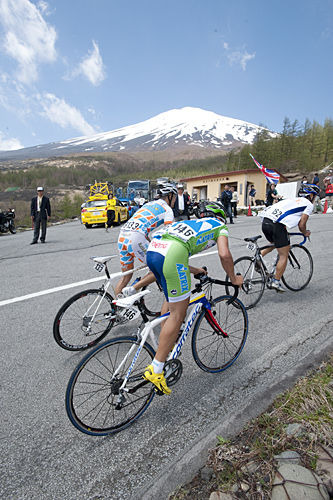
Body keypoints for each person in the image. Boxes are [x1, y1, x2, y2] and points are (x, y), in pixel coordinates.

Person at [142, 204, 243, 395]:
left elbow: (178, 252)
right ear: (221, 216)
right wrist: (233, 278)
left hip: (154, 250)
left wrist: (195, 270)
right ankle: (156, 368)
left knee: (171, 300)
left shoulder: (192, 223)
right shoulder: (219, 226)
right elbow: (224, 254)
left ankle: (166, 344)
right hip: (172, 254)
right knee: (178, 314)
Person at [115, 183, 177, 296]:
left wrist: (150, 243)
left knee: (125, 277)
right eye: (175, 198)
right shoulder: (167, 210)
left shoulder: (148, 204)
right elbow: (169, 233)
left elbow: (142, 228)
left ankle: (117, 308)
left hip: (122, 236)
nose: (175, 201)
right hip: (135, 238)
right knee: (160, 268)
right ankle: (133, 289)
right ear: (170, 196)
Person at [259, 183, 320, 293]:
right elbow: (302, 225)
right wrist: (305, 232)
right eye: (314, 197)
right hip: (276, 225)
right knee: (284, 254)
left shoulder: (291, 200)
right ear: (311, 196)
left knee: (273, 243)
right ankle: (275, 281)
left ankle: (258, 258)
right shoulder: (308, 204)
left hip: (265, 222)